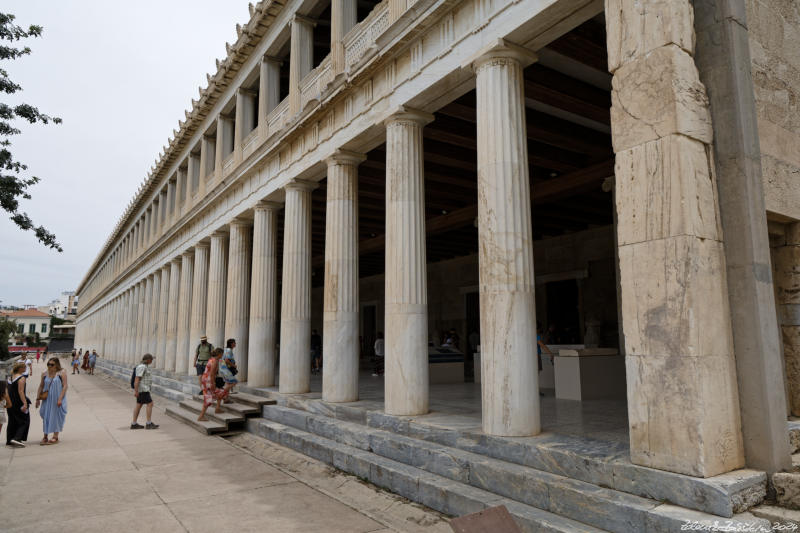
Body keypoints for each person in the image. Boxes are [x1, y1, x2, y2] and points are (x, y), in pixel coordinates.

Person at [35, 357, 68, 445]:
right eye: (48, 364)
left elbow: (65, 386)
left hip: (57, 399)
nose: (50, 366)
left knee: (56, 416)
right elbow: (41, 386)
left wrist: (60, 398)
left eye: (52, 364)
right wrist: (37, 398)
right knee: (45, 415)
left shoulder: (62, 373)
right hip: (46, 399)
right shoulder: (44, 374)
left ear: (56, 365)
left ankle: (55, 436)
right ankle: (45, 436)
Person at [198, 348, 229, 421]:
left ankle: (217, 408)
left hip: (205, 379)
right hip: (209, 380)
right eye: (222, 354)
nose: (222, 355)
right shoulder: (215, 361)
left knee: (220, 392)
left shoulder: (211, 359)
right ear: (219, 354)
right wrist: (213, 383)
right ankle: (201, 416)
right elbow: (212, 374)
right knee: (210, 397)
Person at [131, 354, 159, 430]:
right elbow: (137, 379)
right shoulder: (142, 367)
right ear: (148, 360)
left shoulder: (144, 366)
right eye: (151, 359)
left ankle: (134, 424)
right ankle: (148, 423)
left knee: (139, 405)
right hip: (143, 390)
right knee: (150, 404)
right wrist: (136, 391)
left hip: (143, 389)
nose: (152, 361)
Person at [6, 362, 31, 447]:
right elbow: (21, 392)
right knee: (24, 420)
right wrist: (25, 403)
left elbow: (7, 390)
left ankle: (9, 440)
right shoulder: (22, 378)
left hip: (10, 402)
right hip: (18, 402)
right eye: (24, 368)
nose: (25, 369)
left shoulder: (10, 377)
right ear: (20, 369)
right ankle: (17, 438)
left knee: (12, 421)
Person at [537, 324, 553, 398]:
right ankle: (537, 391)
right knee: (536, 374)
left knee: (536, 374)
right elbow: (542, 346)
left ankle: (537, 390)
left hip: (533, 356)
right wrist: (550, 353)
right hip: (536, 356)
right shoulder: (536, 336)